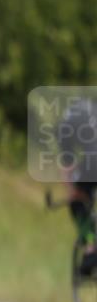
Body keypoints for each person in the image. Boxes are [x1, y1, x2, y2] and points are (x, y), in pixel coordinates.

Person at [58, 95, 97, 275]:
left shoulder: (66, 124)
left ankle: (90, 247)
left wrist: (73, 192)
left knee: (77, 203)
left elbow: (68, 164)